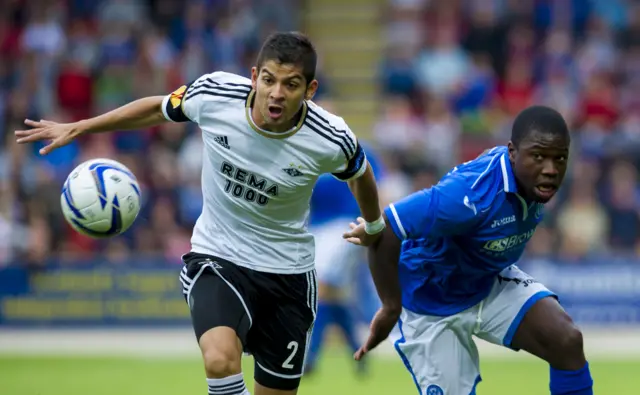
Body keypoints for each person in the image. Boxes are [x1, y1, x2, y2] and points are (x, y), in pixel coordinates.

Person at [15, 32, 385, 395]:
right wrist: (83, 126)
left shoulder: (330, 137)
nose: (276, 93)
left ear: (310, 90)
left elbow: (360, 174)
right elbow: (156, 108)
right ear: (254, 77)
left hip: (287, 274)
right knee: (220, 359)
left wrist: (373, 225)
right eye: (269, 80)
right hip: (218, 255)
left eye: (291, 85)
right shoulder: (215, 94)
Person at [343, 106, 593, 395]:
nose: (550, 169)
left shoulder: (532, 180)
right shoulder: (470, 195)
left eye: (559, 158)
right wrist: (389, 307)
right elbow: (388, 229)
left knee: (565, 340)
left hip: (486, 280)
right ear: (512, 152)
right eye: (538, 157)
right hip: (431, 300)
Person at [304, 141, 384, 377]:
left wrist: (372, 225)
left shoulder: (359, 149)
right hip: (315, 228)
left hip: (344, 226)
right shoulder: (308, 149)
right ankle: (359, 352)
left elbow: (375, 186)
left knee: (323, 288)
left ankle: (310, 357)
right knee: (334, 295)